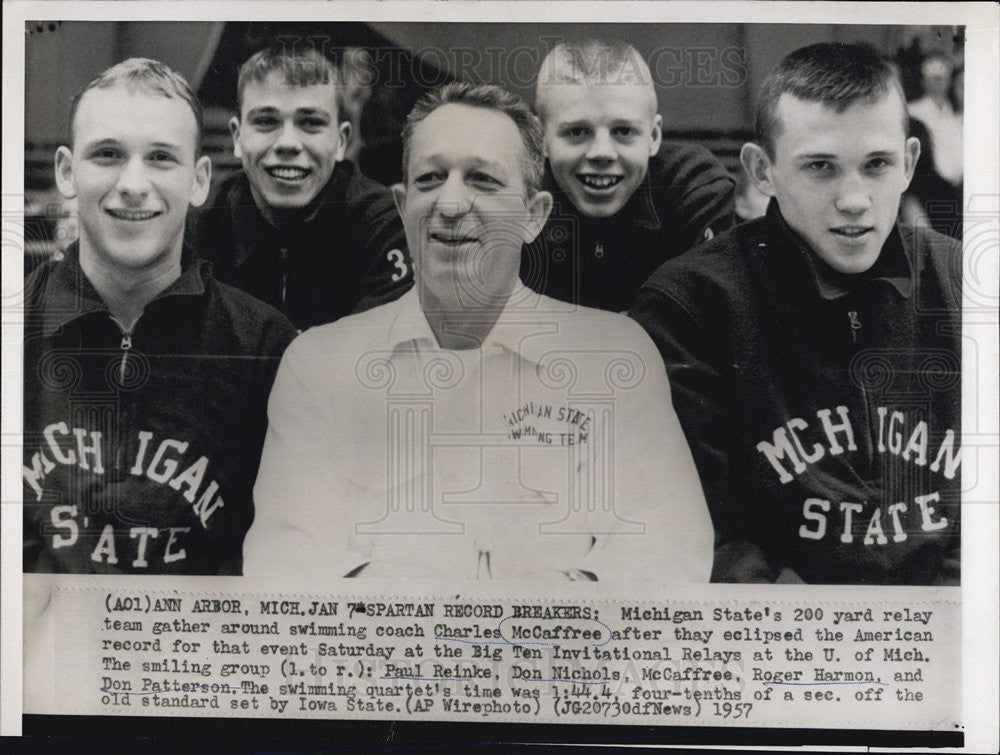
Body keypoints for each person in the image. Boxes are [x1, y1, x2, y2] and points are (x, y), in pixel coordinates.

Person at [247, 82, 712, 581]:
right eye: (429, 178)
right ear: (402, 207)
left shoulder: (613, 357)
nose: (450, 203)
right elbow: (284, 565)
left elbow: (669, 555)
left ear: (534, 216)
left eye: (483, 180)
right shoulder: (319, 365)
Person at [631, 43, 961, 585]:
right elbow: (702, 537)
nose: (854, 199)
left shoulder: (967, 288)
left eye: (876, 165)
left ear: (909, 164)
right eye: (820, 168)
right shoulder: (690, 306)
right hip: (779, 644)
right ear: (763, 171)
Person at [22, 58, 298, 574]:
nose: (133, 183)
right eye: (107, 154)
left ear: (198, 180)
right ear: (66, 171)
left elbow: (283, 561)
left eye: (161, 158)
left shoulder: (264, 348)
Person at [191, 46, 412, 330]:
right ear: (237, 137)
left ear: (341, 141)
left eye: (310, 123)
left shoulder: (384, 227)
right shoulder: (199, 223)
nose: (288, 143)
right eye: (266, 121)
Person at [522, 39, 735, 312]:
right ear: (541, 139)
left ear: (654, 136)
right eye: (577, 132)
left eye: (623, 131)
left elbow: (704, 325)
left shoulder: (693, 186)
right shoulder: (516, 191)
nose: (602, 153)